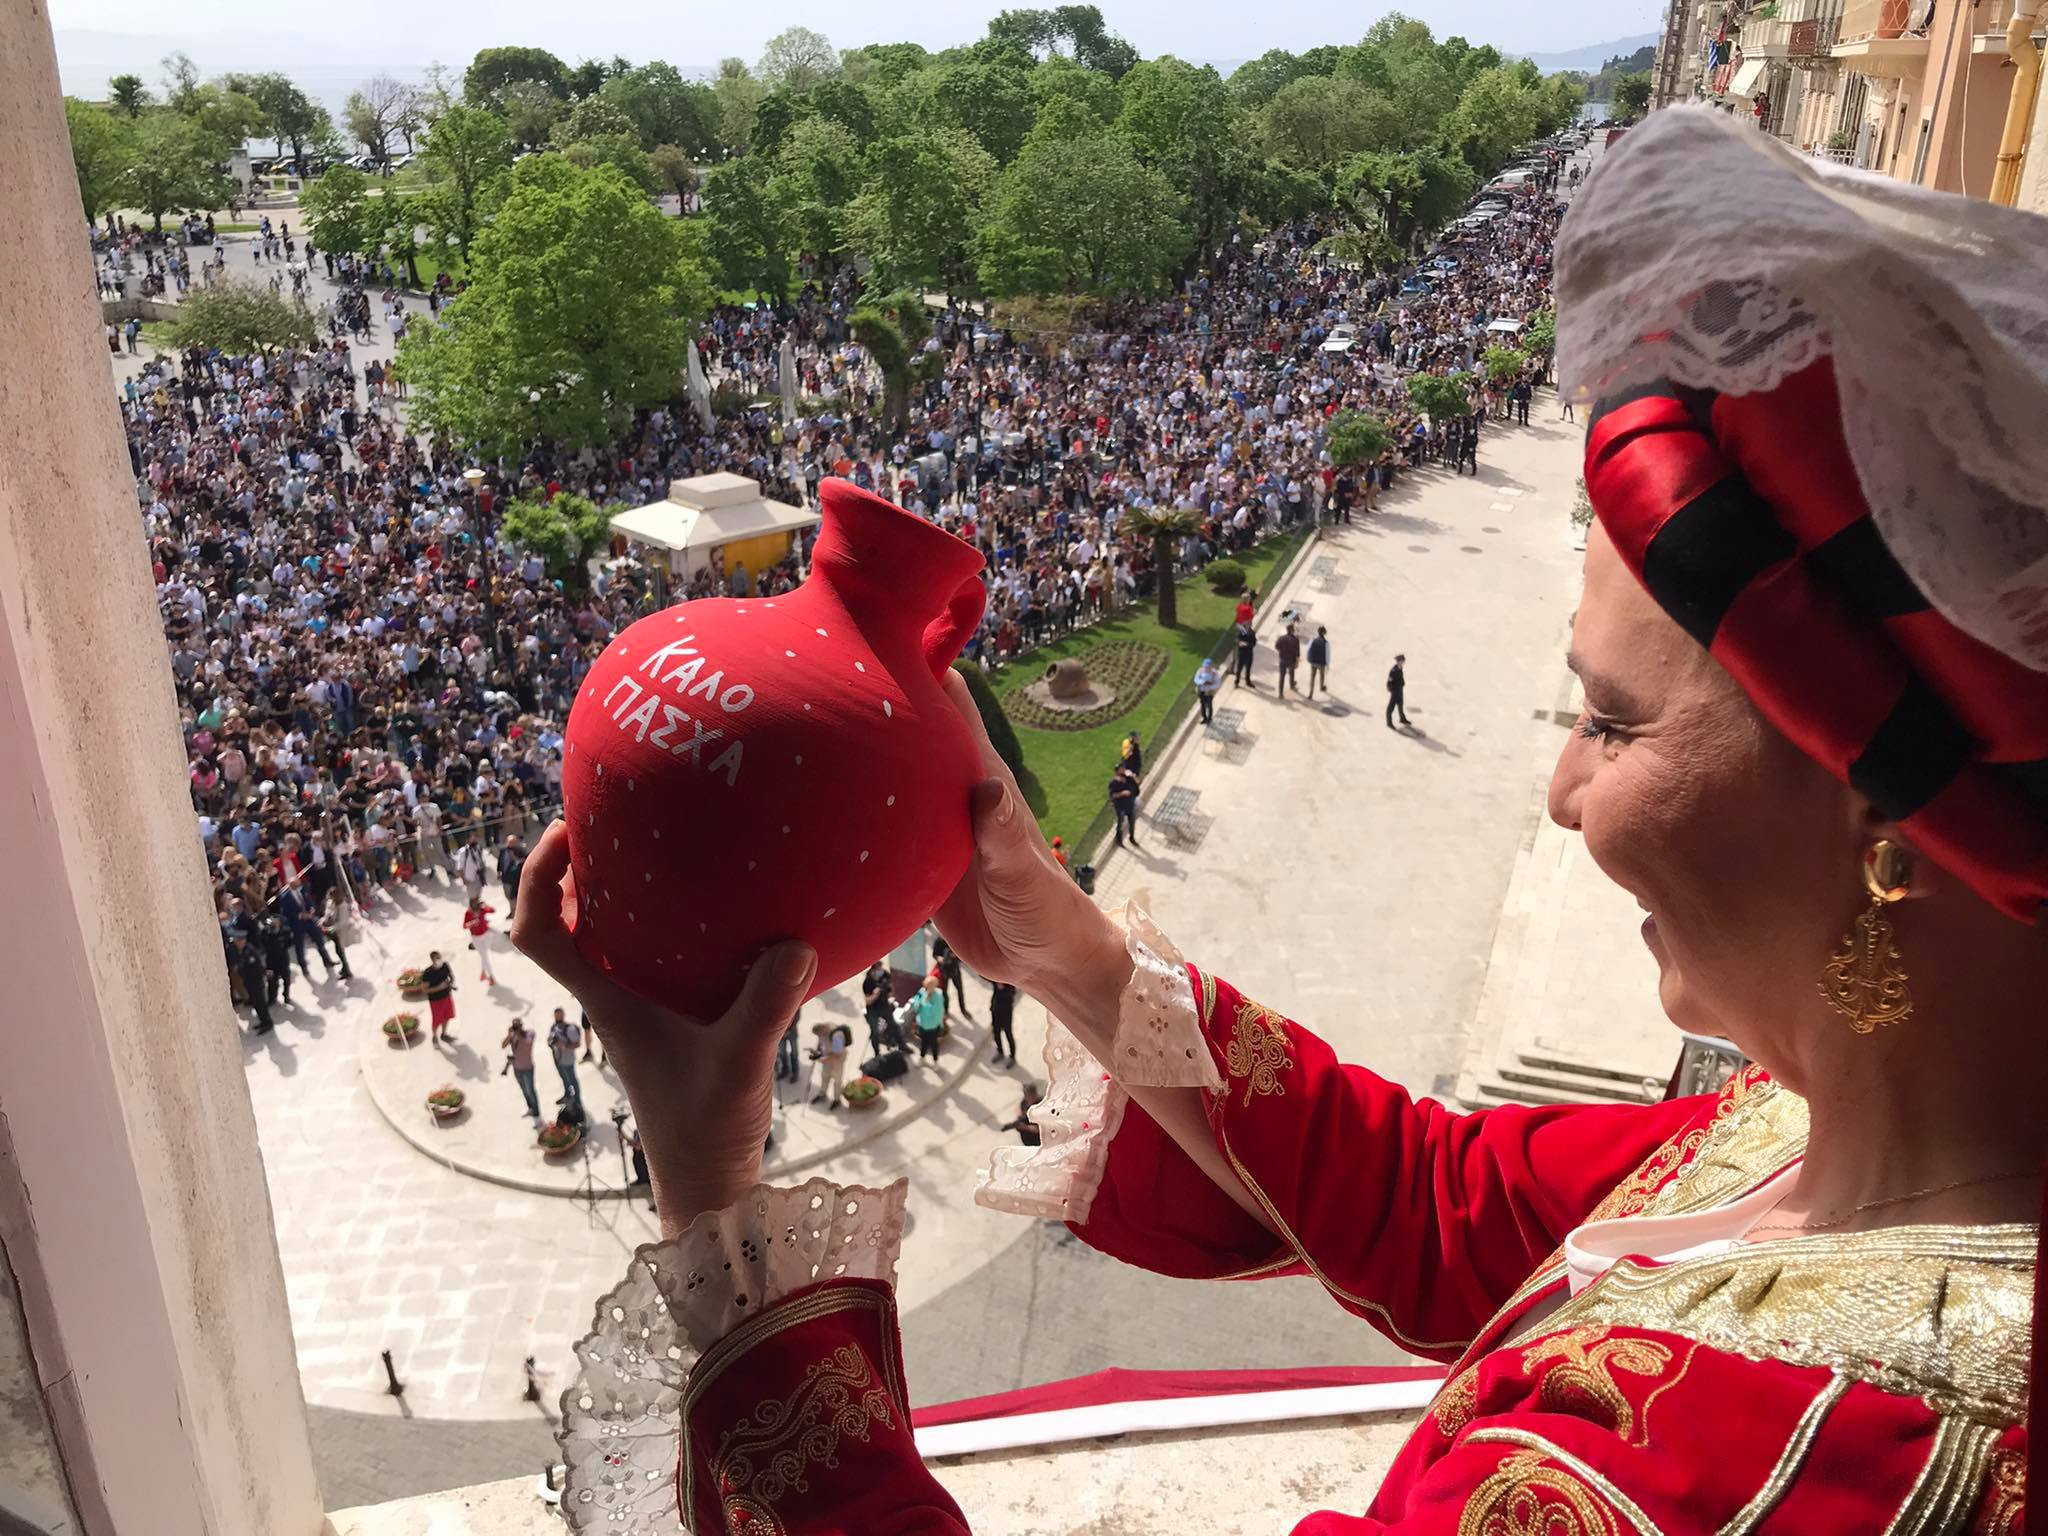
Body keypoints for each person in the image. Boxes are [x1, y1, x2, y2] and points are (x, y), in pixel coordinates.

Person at [516, 108, 2048, 1535]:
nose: (1564, 788)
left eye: (1610, 719)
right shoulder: (1856, 1121)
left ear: (1886, 803)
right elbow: (1455, 1209)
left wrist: (711, 1182)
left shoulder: (1720, 1465)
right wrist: (1066, 946)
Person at [502, 1018, 540, 1119]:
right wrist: (509, 1035)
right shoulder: (512, 1036)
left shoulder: (529, 1033)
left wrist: (518, 1034)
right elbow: (503, 1045)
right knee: (524, 1090)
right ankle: (530, 1108)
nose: (517, 1028)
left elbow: (528, 1042)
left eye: (518, 1026)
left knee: (531, 1091)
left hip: (528, 1068)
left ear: (522, 1025)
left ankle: (536, 1114)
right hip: (517, 1068)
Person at [546, 1008, 582, 1114]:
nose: (558, 1017)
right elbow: (550, 1041)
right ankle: (567, 1096)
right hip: (558, 1060)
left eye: (559, 1015)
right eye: (556, 1015)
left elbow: (578, 1044)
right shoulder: (554, 1027)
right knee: (565, 1079)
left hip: (568, 1061)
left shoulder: (570, 1029)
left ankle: (578, 1103)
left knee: (573, 1082)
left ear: (563, 1015)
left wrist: (565, 1044)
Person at [811, 1018, 852, 1107]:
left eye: (819, 1035)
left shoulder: (837, 1035)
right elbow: (821, 1043)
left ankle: (837, 1099)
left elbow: (837, 1055)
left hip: (837, 1060)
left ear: (822, 1030)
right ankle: (822, 1094)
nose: (819, 1037)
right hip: (827, 1057)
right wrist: (817, 1052)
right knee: (825, 1076)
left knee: (837, 1079)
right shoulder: (822, 1031)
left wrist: (822, 1059)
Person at [861, 962, 897, 1055]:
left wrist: (888, 993)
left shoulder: (885, 975)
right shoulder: (867, 982)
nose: (880, 971)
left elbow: (890, 988)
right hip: (873, 1010)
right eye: (878, 970)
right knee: (875, 1033)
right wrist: (875, 995)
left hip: (884, 1006)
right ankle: (877, 1052)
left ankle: (891, 1042)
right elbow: (868, 1001)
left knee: (893, 1025)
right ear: (873, 971)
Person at [932, 932, 971, 1019]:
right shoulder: (938, 941)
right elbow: (934, 954)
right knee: (944, 992)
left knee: (960, 991)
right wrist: (939, 958)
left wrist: (955, 955)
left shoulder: (953, 940)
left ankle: (963, 1009)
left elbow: (962, 955)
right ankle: (946, 1010)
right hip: (944, 970)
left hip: (954, 970)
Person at [420, 950, 455, 1042]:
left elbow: (451, 976)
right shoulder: (427, 973)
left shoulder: (445, 965)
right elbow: (424, 990)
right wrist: (439, 987)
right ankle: (434, 1036)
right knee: (437, 1020)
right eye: (437, 958)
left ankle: (444, 1034)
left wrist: (451, 982)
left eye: (440, 957)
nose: (440, 959)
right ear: (433, 960)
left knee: (447, 1016)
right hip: (435, 1001)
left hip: (447, 996)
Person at [911, 975, 947, 1064]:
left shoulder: (938, 996)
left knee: (934, 1044)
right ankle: (922, 1057)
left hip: (932, 1026)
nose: (925, 987)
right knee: (924, 1042)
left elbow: (936, 1011)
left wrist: (923, 1004)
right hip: (922, 1024)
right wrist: (917, 1004)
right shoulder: (922, 992)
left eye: (927, 986)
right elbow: (916, 1001)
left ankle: (935, 1060)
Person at [464, 898, 499, 985]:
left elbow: (493, 910)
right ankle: (491, 976)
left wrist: (485, 905)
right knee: (485, 956)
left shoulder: (482, 910)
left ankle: (483, 972)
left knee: (484, 955)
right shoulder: (468, 913)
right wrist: (471, 923)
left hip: (486, 936)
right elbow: (464, 925)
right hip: (476, 938)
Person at [1107, 763, 1140, 849]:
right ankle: (1119, 840)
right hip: (1120, 806)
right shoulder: (1114, 782)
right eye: (1121, 769)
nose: (1123, 770)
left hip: (1130, 804)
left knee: (1132, 822)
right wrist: (1122, 793)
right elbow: (1112, 795)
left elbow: (1137, 783)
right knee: (1120, 823)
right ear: (1117, 771)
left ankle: (1132, 838)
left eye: (1123, 768)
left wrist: (1133, 776)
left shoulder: (1128, 778)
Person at [988, 980, 1017, 1068]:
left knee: (1008, 1034)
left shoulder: (1010, 984)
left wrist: (1003, 988)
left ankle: (1012, 1057)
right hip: (995, 1011)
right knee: (996, 1033)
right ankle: (1000, 1052)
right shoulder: (995, 980)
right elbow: (985, 976)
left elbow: (1012, 995)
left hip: (1006, 1013)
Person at [498, 833, 528, 919]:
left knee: (515, 899)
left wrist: (517, 860)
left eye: (513, 842)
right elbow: (500, 862)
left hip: (515, 880)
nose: (510, 844)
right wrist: (499, 871)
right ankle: (512, 911)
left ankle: (516, 916)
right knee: (508, 897)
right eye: (509, 842)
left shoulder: (520, 850)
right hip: (506, 878)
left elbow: (525, 861)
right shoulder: (503, 850)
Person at [1385, 652, 1411, 728]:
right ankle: (1389, 723)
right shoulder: (1393, 670)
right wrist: (1391, 689)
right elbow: (1389, 681)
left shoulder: (1400, 668)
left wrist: (1403, 683)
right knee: (1391, 707)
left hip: (1400, 689)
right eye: (1402, 660)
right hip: (1395, 691)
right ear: (1399, 661)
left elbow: (1401, 677)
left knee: (1400, 705)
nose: (1403, 662)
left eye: (1403, 660)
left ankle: (1402, 719)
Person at [1274, 623, 1301, 696]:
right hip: (1291, 660)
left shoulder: (1281, 638)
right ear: (1292, 631)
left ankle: (1280, 693)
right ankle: (1291, 685)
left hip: (1282, 659)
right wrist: (1297, 662)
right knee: (1291, 672)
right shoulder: (1295, 639)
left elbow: (1276, 646)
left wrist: (1281, 651)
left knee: (1282, 677)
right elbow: (1298, 653)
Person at [1193, 657, 1221, 725]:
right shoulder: (1200, 671)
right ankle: (1204, 718)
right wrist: (1202, 682)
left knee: (1209, 704)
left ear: (1211, 666)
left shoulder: (1214, 673)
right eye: (1205, 666)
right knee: (1202, 704)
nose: (1206, 668)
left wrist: (1210, 687)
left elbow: (1217, 684)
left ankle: (1209, 718)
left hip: (1209, 692)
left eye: (1208, 667)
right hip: (1201, 690)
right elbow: (1196, 679)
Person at [1305, 626, 1331, 700]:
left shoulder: (1312, 640)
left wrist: (1309, 659)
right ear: (1323, 633)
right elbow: (1328, 655)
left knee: (1312, 677)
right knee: (1322, 675)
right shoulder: (1326, 643)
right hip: (1321, 663)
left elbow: (1308, 650)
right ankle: (1321, 687)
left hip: (1313, 662)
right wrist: (1327, 665)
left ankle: (1310, 694)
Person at [1230, 618, 1257, 688]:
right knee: (1239, 669)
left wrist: (1247, 644)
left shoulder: (1252, 632)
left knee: (1248, 668)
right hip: (1241, 653)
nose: (1248, 625)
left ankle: (1248, 681)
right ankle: (1236, 682)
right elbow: (1237, 639)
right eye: (1247, 624)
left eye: (1249, 624)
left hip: (1249, 653)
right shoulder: (1241, 632)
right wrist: (1239, 642)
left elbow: (1254, 643)